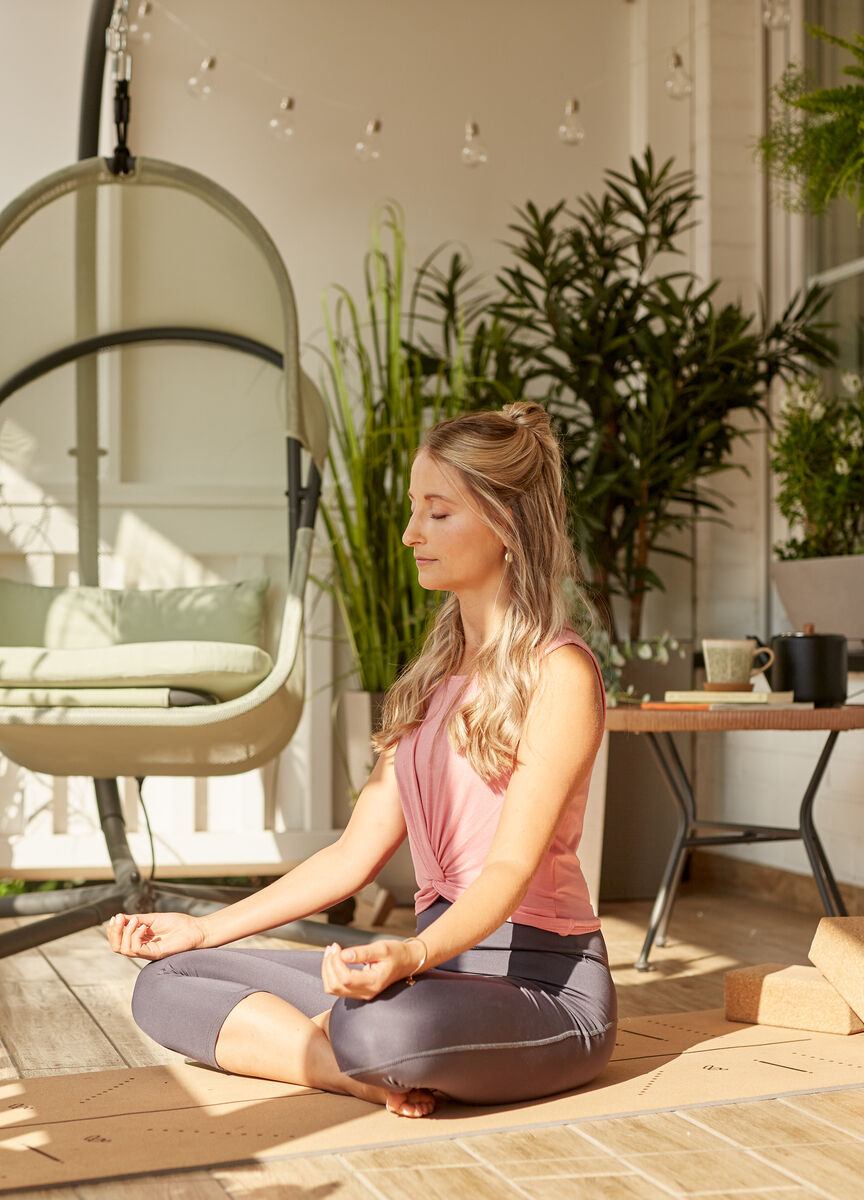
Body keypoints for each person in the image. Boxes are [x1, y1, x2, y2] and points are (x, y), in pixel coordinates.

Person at [107, 401, 614, 1118]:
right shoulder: (433, 679)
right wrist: (204, 927)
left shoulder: (561, 674)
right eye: (416, 510)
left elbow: (507, 870)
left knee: (382, 1022)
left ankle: (355, 1050)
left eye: (437, 513)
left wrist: (412, 956)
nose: (412, 535)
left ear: (506, 523)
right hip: (436, 971)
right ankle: (347, 1072)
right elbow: (352, 856)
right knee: (169, 979)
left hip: (541, 989)